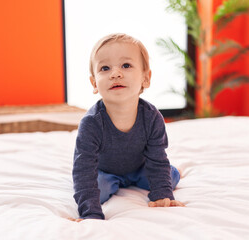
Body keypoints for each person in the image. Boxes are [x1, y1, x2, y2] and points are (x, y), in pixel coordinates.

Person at [70, 33, 185, 222]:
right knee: (97, 188)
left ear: (145, 78)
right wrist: (90, 213)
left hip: (141, 167)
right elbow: (84, 168)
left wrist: (163, 196)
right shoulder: (91, 123)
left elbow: (156, 158)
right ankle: (115, 183)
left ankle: (165, 175)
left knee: (168, 178)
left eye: (126, 65)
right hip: (104, 171)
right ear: (94, 83)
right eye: (105, 68)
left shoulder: (152, 117)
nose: (115, 73)